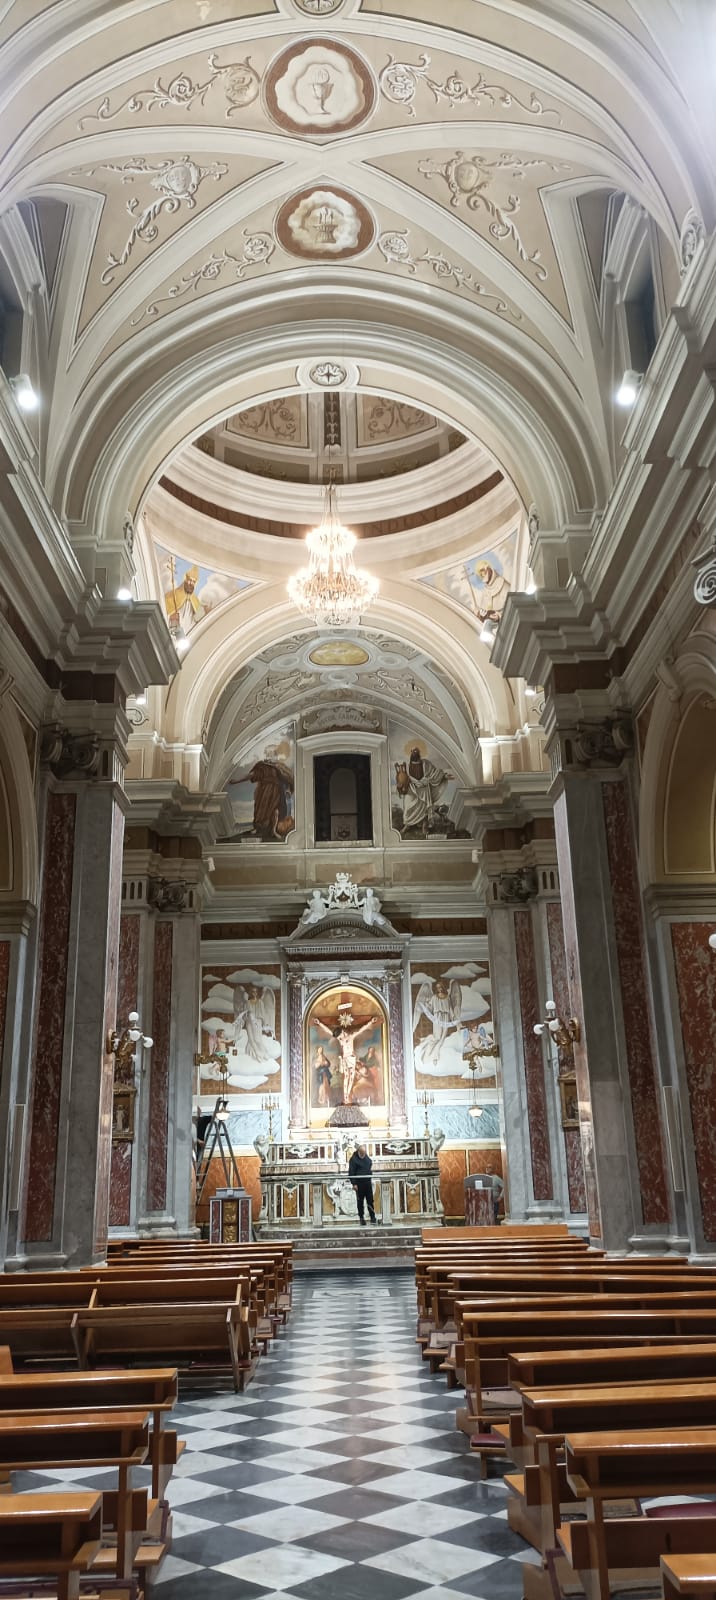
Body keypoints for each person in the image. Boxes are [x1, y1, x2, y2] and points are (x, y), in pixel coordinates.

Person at [348, 1143, 378, 1225]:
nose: (363, 1155)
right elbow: (351, 1172)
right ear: (358, 1152)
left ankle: (372, 1217)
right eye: (361, 1153)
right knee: (360, 1202)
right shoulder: (353, 1159)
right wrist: (354, 1183)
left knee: (370, 1201)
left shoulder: (366, 1157)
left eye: (364, 1153)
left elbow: (369, 1163)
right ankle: (361, 1218)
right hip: (359, 1184)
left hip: (367, 1183)